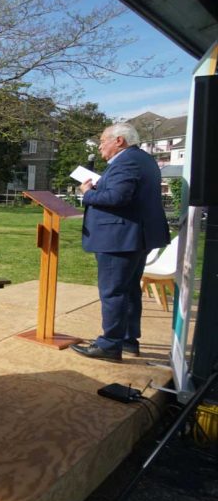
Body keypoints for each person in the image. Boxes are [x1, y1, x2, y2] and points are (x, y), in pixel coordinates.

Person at [72, 122, 169, 362]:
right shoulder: (143, 159)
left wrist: (88, 193)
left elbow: (117, 197)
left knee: (114, 292)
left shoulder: (126, 161)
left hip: (119, 239)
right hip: (135, 237)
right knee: (128, 290)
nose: (101, 146)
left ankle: (109, 345)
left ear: (119, 141)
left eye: (103, 141)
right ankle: (127, 340)